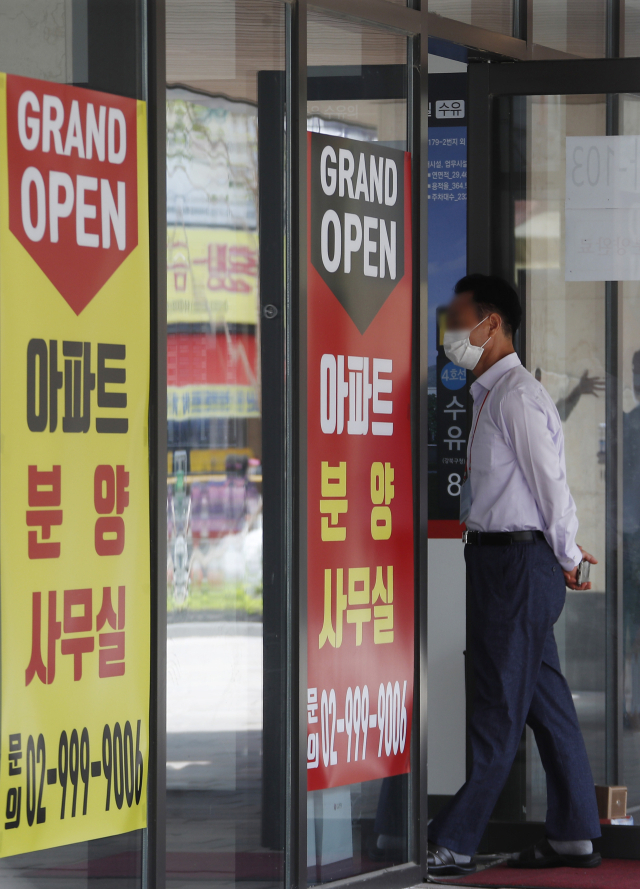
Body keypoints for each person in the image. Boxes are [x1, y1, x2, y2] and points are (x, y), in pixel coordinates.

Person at [427, 274, 602, 877]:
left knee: (499, 705)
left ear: (492, 323)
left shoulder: (515, 397)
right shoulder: (492, 395)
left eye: (458, 318)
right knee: (544, 703)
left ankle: (455, 840)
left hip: (517, 564)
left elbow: (550, 485)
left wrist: (569, 553)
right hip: (504, 562)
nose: (450, 331)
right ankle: (576, 834)